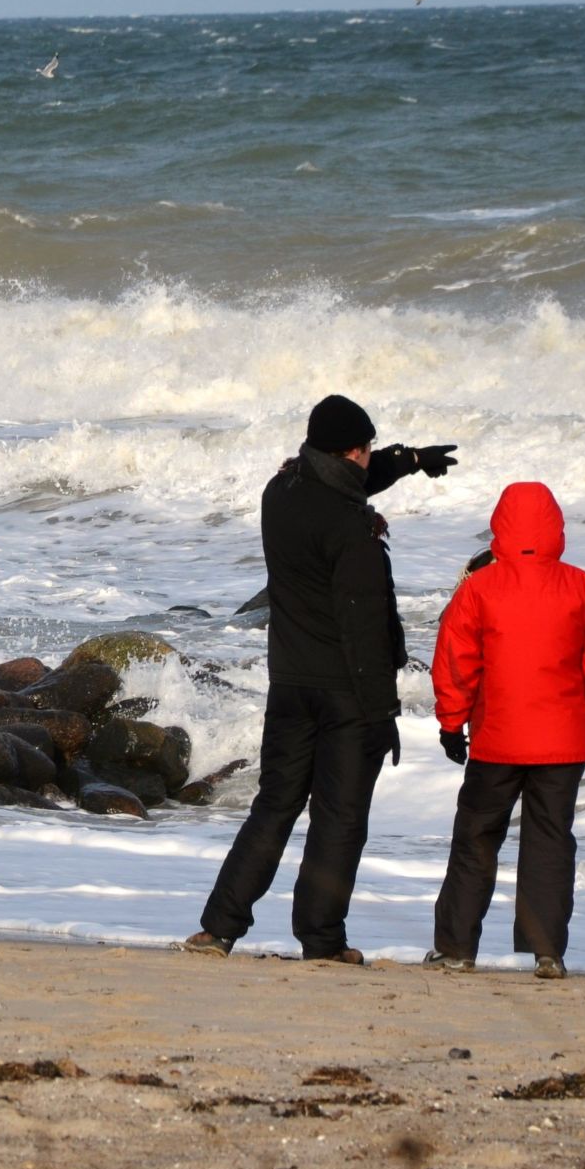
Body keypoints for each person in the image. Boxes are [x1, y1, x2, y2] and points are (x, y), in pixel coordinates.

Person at [180, 395, 456, 963]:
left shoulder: (280, 492)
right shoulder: (352, 529)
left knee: (274, 806)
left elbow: (340, 483)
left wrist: (407, 460)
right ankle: (322, 939)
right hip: (345, 693)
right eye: (370, 449)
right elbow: (363, 627)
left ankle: (219, 928)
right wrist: (383, 712)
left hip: (289, 684)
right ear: (353, 451)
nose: (372, 457)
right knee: (339, 818)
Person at [423, 482, 585, 979]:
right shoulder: (582, 587)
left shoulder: (479, 588)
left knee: (475, 837)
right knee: (550, 842)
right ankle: (547, 952)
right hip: (562, 746)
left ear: (500, 525)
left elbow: (454, 664)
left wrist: (451, 724)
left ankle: (456, 949)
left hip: (496, 740)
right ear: (555, 527)